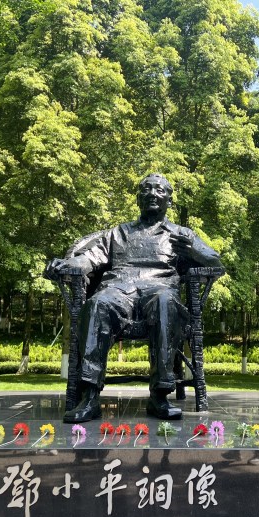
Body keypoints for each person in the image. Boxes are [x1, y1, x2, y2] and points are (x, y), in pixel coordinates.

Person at [47, 174, 223, 423]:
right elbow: (89, 259)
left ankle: (160, 395)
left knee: (165, 303)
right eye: (146, 189)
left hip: (160, 289)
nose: (152, 194)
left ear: (169, 201)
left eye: (159, 190)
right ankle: (90, 397)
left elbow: (216, 264)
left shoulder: (181, 234)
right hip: (119, 290)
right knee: (97, 304)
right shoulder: (118, 233)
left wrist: (194, 251)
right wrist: (66, 265)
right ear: (138, 199)